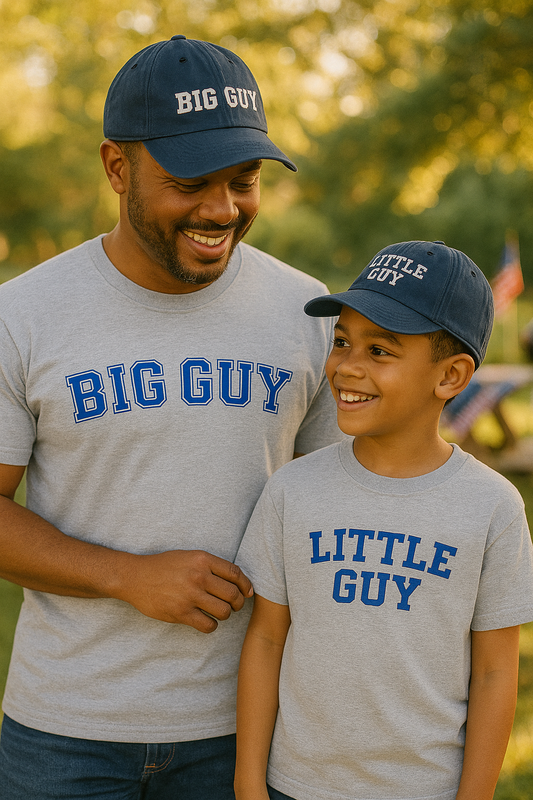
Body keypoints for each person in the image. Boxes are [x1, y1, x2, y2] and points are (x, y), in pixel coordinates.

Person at [0, 36, 342, 799]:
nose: (221, 209)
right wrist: (124, 576)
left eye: (244, 180)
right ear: (117, 167)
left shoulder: (308, 312)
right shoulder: (21, 316)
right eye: (191, 182)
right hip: (66, 733)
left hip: (248, 725)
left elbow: (338, 500)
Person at [234, 240, 533, 800]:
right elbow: (267, 638)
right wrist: (249, 784)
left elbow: (496, 673)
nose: (346, 366)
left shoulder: (492, 507)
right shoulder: (291, 490)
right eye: (343, 341)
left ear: (450, 376)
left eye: (380, 351)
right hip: (294, 786)